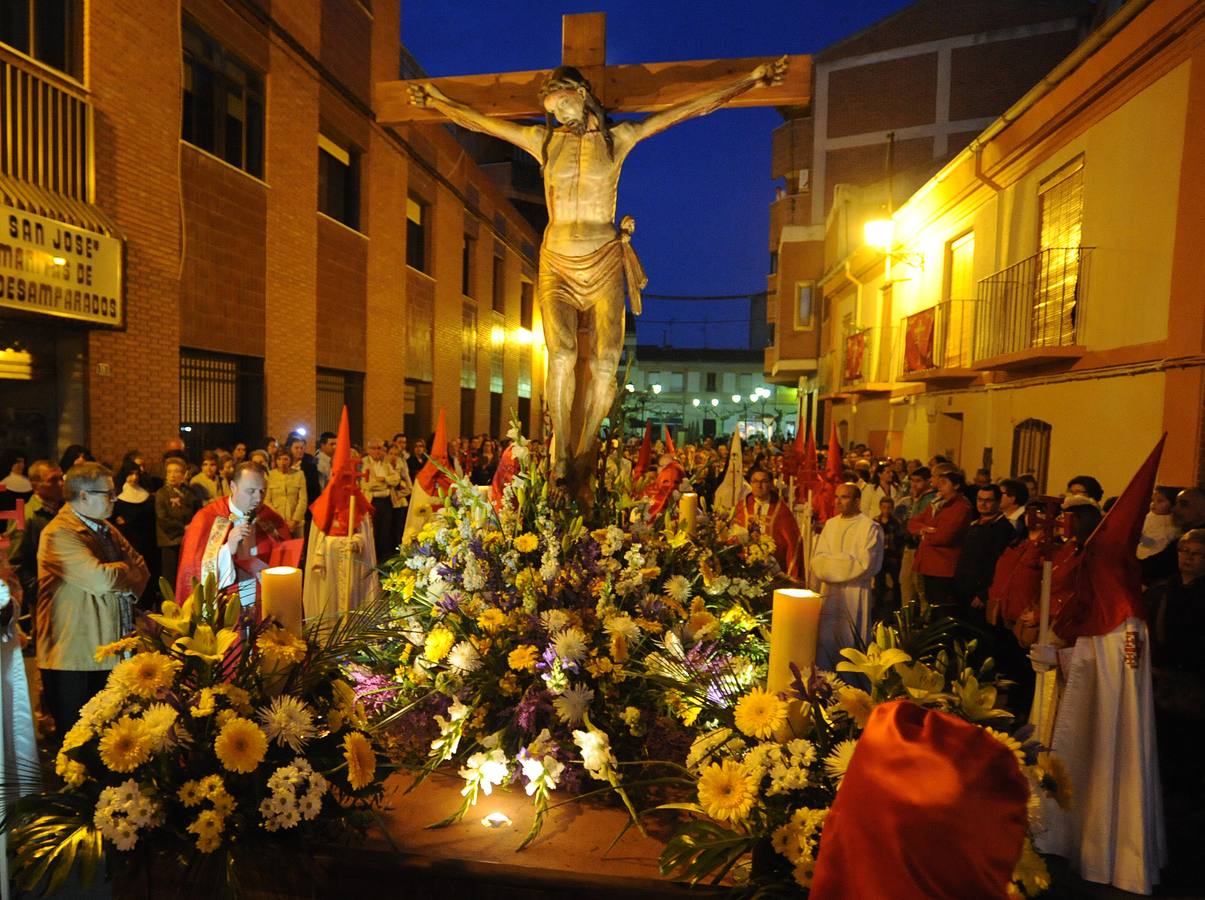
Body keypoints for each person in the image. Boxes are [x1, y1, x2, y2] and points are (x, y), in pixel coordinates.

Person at [410, 59, 786, 500]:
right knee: (563, 353)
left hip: (604, 257)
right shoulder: (543, 141)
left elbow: (683, 111)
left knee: (606, 361)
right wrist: (437, 102)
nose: (561, 116)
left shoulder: (618, 140)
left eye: (565, 105)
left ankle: (585, 448)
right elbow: (485, 124)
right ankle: (562, 453)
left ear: (583, 95)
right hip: (556, 261)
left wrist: (749, 80)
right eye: (554, 110)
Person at [36, 462, 149, 736]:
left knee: (113, 739)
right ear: (83, 495)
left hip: (111, 652)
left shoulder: (106, 528)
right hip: (74, 658)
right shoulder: (58, 533)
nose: (114, 499)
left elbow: (143, 570)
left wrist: (121, 574)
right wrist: (124, 569)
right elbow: (102, 580)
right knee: (79, 745)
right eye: (107, 493)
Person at [176, 461, 292, 613]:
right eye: (251, 491)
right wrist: (227, 549)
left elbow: (286, 559)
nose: (258, 499)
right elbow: (193, 570)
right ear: (233, 487)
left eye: (262, 491)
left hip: (265, 605)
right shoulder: (207, 518)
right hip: (228, 607)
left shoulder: (270, 517)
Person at [811, 483, 883, 668]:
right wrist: (846, 562)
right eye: (837, 496)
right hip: (829, 593)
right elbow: (818, 562)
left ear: (857, 501)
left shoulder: (870, 528)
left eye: (844, 497)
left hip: (855, 593)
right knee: (826, 638)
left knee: (851, 638)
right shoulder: (831, 524)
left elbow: (865, 565)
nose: (838, 501)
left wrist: (832, 564)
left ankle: (853, 684)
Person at [908, 468, 973, 611]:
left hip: (943, 568)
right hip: (928, 565)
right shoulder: (936, 504)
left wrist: (925, 534)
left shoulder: (961, 507)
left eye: (944, 483)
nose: (939, 486)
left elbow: (946, 536)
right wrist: (925, 529)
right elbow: (913, 522)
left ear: (956, 485)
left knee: (941, 608)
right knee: (929, 604)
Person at [7, 461, 63, 625]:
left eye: (61, 478)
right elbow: (16, 562)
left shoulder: (63, 511)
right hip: (45, 595)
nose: (61, 484)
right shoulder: (26, 516)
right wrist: (38, 592)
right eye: (53, 480)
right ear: (35, 485)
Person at [734, 467, 802, 579]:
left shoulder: (781, 511)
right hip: (744, 570)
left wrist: (791, 575)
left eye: (763, 481)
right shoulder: (742, 508)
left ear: (771, 484)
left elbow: (793, 543)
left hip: (774, 571)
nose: (759, 485)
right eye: (755, 481)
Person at [110, 456, 158, 608]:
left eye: (137, 474)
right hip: (130, 542)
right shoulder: (119, 498)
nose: (134, 477)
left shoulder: (147, 496)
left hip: (148, 542)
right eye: (130, 474)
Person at [155, 458, 199, 596]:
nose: (172, 475)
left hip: (188, 539)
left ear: (184, 474)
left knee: (186, 573)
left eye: (176, 472)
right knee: (170, 576)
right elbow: (163, 518)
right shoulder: (162, 493)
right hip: (170, 539)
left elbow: (197, 510)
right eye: (169, 472)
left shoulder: (189, 492)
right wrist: (183, 527)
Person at [895, 466, 935, 607]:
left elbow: (919, 522)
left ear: (928, 482)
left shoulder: (929, 500)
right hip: (910, 545)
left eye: (918, 481)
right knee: (906, 582)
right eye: (912, 481)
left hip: (918, 547)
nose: (914, 485)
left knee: (918, 586)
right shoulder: (915, 498)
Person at [361, 440, 399, 563]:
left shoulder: (385, 464)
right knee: (373, 531)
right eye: (374, 448)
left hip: (386, 502)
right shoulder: (364, 463)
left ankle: (384, 560)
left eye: (380, 448)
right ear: (368, 450)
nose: (377, 451)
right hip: (372, 502)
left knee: (386, 532)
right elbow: (366, 485)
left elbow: (396, 479)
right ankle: (373, 559)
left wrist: (384, 479)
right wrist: (385, 484)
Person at [872, 497, 905, 618]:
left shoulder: (896, 522)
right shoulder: (875, 521)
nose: (886, 510)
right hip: (880, 555)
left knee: (896, 581)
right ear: (880, 507)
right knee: (879, 581)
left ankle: (896, 605)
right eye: (884, 507)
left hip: (892, 555)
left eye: (889, 508)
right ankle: (879, 604)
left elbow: (900, 537)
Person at [265, 449, 307, 536]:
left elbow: (303, 499)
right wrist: (278, 518)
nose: (282, 462)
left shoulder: (299, 474)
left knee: (297, 548)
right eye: (279, 459)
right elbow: (266, 500)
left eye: (285, 459)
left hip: (296, 523)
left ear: (290, 460)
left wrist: (294, 521)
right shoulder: (269, 475)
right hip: (276, 522)